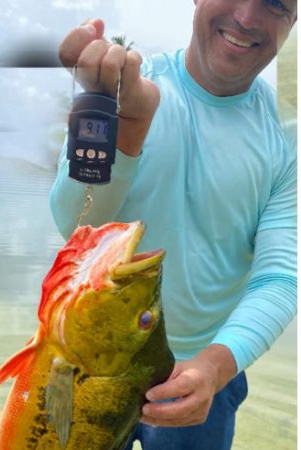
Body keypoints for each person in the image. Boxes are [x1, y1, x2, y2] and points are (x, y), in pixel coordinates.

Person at [50, 1, 296, 449]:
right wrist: (129, 124)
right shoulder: (127, 88)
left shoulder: (288, 136)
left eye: (275, 3)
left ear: (292, 20)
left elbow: (281, 277)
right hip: (88, 359)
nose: (246, 18)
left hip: (202, 370)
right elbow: (75, 226)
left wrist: (216, 367)